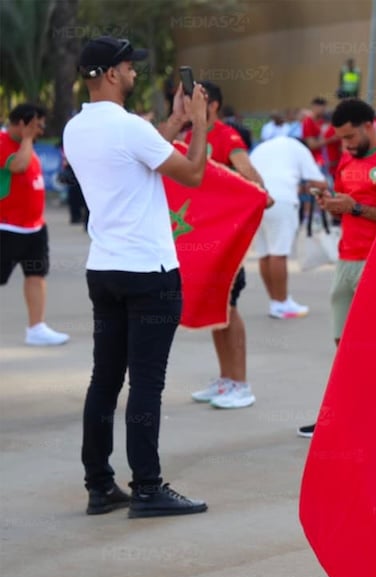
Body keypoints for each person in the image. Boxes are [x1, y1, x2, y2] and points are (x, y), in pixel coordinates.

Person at [63, 35, 210, 517]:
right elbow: (190, 173)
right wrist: (201, 127)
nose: (134, 73)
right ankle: (147, 487)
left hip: (104, 269)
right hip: (149, 271)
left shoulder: (76, 129)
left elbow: (140, 158)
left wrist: (173, 123)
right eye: (129, 67)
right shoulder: (129, 128)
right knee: (147, 384)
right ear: (109, 74)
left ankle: (99, 485)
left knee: (104, 380)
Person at [297, 98, 376, 438]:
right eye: (341, 139)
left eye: (349, 137)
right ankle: (350, 411)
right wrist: (333, 204)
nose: (344, 145)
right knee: (342, 341)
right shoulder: (349, 156)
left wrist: (356, 207)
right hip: (347, 258)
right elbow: (346, 203)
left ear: (368, 126)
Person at [186, 80, 269, 410]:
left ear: (213, 105)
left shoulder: (225, 136)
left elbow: (246, 170)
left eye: (195, 100)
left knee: (229, 309)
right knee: (215, 311)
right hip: (202, 240)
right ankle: (225, 379)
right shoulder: (191, 137)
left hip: (225, 242)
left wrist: (262, 194)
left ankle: (241, 383)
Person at [1, 103, 70, 346]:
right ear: (22, 124)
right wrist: (27, 139)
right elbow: (17, 166)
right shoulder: (4, 142)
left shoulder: (28, 145)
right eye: (36, 125)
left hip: (34, 227)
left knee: (36, 275)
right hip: (7, 228)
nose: (40, 131)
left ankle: (36, 328)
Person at [250, 135, 326, 318]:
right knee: (279, 253)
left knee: (264, 253)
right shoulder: (298, 148)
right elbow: (320, 183)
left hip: (255, 200)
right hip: (281, 201)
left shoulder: (262, 147)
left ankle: (276, 301)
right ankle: (282, 303)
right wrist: (308, 186)